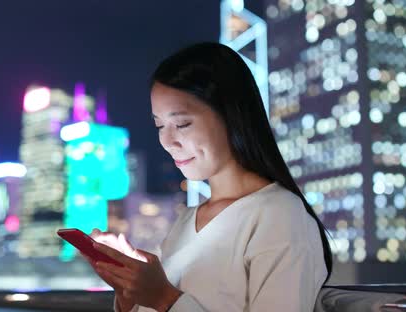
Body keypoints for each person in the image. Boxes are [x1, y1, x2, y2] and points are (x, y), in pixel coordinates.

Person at [82, 42, 332, 312]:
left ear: (231, 115)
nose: (167, 141)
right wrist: (130, 291)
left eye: (182, 124)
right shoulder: (187, 220)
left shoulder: (280, 215)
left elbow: (167, 302)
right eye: (159, 125)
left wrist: (164, 298)